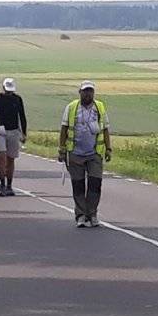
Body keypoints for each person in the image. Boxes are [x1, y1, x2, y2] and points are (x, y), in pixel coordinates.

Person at [58, 80, 112, 228]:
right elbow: (64, 129)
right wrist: (62, 149)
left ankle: (92, 214)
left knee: (95, 184)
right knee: (78, 185)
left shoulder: (99, 107)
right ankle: (81, 215)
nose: (88, 94)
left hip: (94, 153)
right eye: (85, 91)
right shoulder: (71, 107)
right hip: (75, 153)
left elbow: (106, 129)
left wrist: (108, 149)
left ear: (93, 93)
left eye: (90, 91)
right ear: (80, 92)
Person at [0, 78, 27, 197]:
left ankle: (9, 185)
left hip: (13, 131)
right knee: (2, 157)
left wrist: (24, 133)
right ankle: (2, 184)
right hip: (0, 131)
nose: (9, 93)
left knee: (11, 159)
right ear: (3, 88)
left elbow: (22, 116)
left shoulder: (18, 99)